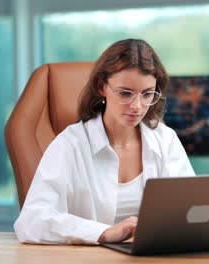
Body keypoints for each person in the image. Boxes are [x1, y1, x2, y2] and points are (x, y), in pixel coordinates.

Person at [14, 39, 195, 245]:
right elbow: (31, 221)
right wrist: (103, 233)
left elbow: (189, 208)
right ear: (102, 87)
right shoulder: (70, 144)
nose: (136, 106)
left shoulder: (165, 139)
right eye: (125, 93)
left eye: (147, 94)